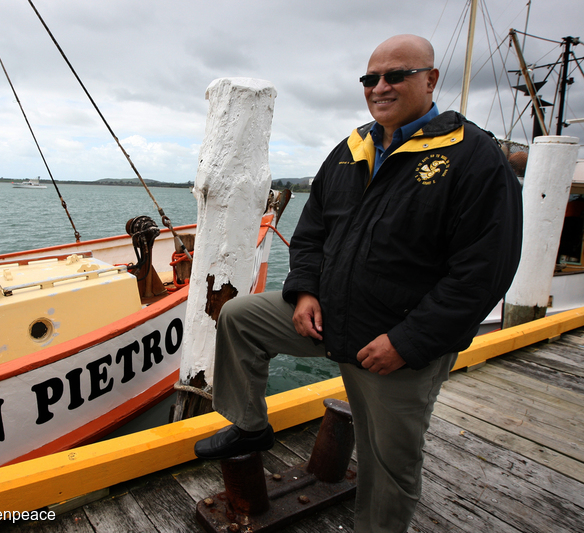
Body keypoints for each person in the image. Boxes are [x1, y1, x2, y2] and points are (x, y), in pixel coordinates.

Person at [193, 34, 523, 532]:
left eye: (397, 75)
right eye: (371, 78)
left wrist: (406, 342)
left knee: (389, 462)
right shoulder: (350, 150)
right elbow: (311, 234)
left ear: (431, 80)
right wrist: (304, 292)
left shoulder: (473, 157)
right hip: (331, 317)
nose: (380, 86)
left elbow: (484, 272)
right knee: (241, 317)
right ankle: (251, 427)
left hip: (398, 342)